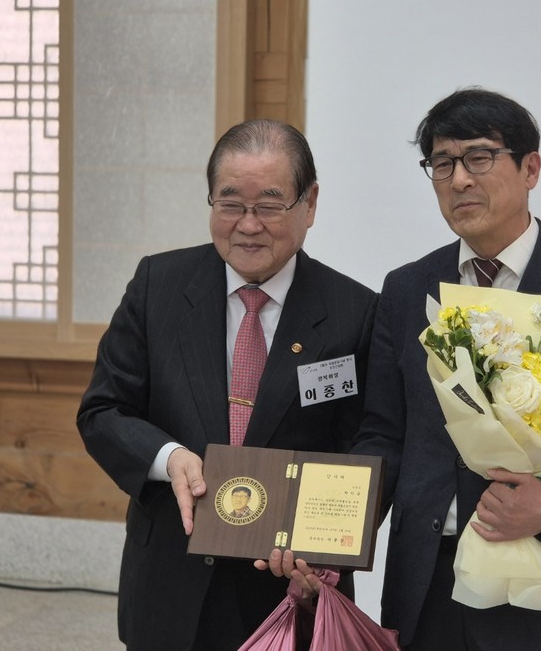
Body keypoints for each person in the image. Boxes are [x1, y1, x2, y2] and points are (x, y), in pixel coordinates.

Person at [277, 88, 541, 650]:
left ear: (531, 168)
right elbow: (383, 434)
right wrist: (327, 538)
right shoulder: (406, 290)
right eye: (442, 163)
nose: (459, 180)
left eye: (480, 158)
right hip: (426, 591)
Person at [77, 119, 378, 651]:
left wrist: (323, 555)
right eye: (230, 203)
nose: (248, 225)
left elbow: (365, 445)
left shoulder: (353, 312)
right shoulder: (159, 286)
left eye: (269, 204)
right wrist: (168, 456)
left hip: (286, 592)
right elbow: (104, 410)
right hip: (171, 580)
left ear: (309, 204)